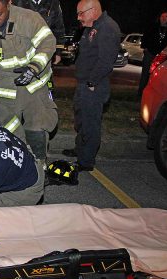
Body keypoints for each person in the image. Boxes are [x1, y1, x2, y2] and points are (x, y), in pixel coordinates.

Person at [0, 0, 58, 163]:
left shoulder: (29, 19)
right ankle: (12, 168)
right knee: (5, 132)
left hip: (33, 86)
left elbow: (48, 43)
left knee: (36, 128)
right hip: (5, 90)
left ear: (8, 5)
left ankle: (39, 169)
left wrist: (33, 68)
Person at [62, 0, 121, 171]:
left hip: (94, 85)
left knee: (90, 124)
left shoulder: (108, 28)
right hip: (84, 83)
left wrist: (91, 82)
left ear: (93, 10)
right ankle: (80, 149)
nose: (78, 17)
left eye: (81, 13)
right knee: (81, 120)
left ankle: (86, 161)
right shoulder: (92, 26)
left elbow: (106, 62)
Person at [11, 0, 66, 65]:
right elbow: (10, 25)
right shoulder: (17, 2)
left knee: (44, 73)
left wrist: (58, 52)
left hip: (45, 50)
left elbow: (58, 29)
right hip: (22, 50)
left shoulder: (53, 3)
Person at [138, 10, 167, 95]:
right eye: (162, 16)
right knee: (145, 73)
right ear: (159, 17)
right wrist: (145, 48)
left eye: (166, 16)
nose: (164, 18)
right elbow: (145, 37)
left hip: (163, 56)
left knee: (159, 76)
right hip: (150, 53)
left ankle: (155, 94)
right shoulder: (152, 26)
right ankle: (141, 92)